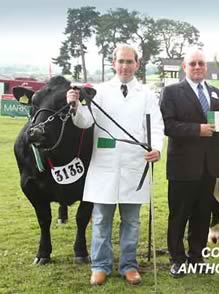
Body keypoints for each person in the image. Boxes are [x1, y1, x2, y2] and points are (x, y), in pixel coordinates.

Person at [66, 44, 164, 286]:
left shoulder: (147, 94)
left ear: (137, 65)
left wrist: (157, 148)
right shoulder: (99, 91)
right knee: (101, 219)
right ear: (113, 63)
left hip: (135, 163)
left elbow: (156, 126)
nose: (125, 66)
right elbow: (85, 122)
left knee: (131, 220)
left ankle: (129, 266)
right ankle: (100, 265)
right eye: (121, 61)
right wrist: (75, 106)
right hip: (105, 164)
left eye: (130, 62)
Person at [160, 48, 219, 278]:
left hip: (209, 167)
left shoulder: (216, 94)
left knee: (203, 215)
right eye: (192, 63)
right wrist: (197, 130)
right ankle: (177, 259)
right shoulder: (172, 92)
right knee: (179, 215)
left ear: (206, 67)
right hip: (182, 167)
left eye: (201, 63)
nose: (197, 67)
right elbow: (168, 126)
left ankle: (197, 257)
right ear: (184, 67)